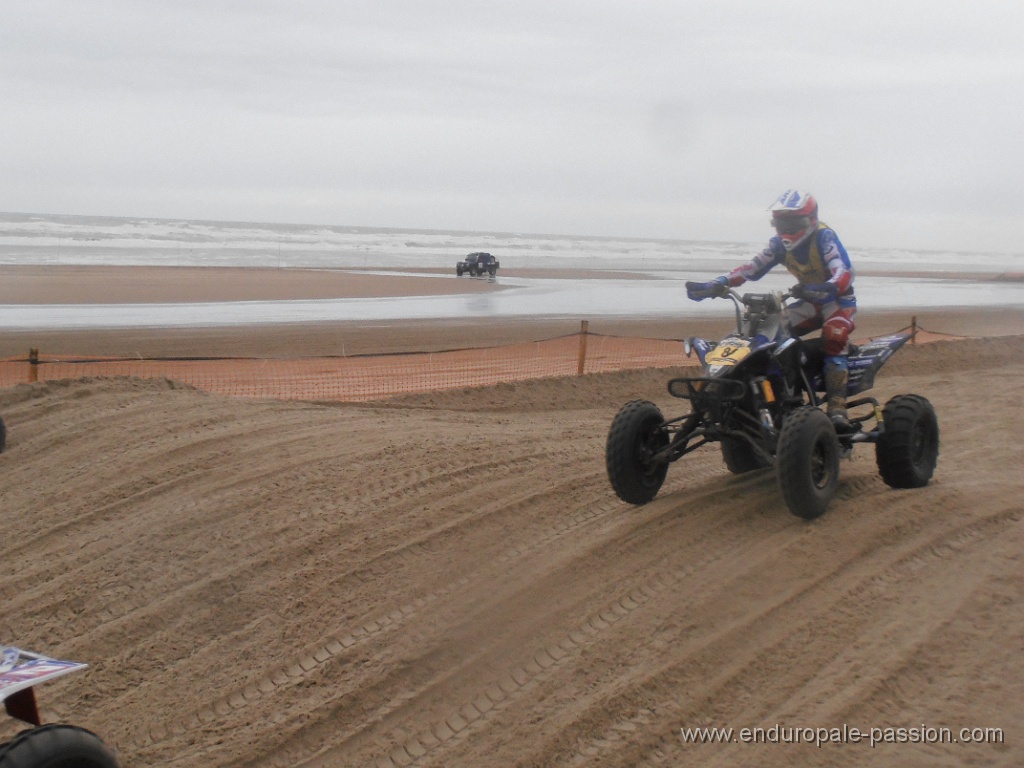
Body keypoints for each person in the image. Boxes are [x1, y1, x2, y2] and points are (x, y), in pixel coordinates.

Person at [685, 189, 857, 430]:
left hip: (837, 301)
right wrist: (719, 282)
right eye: (780, 223)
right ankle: (778, 394)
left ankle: (837, 409)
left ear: (809, 219)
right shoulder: (779, 245)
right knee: (768, 333)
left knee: (834, 335)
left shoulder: (824, 237)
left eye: (792, 222)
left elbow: (843, 271)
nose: (786, 229)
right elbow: (752, 268)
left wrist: (830, 287)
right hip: (808, 300)